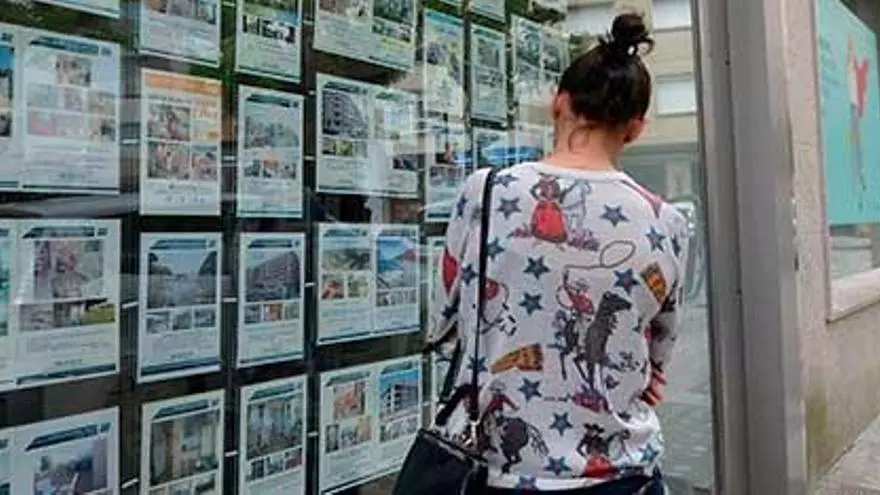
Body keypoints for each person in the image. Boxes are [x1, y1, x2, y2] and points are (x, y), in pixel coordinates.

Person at [427, 12, 688, 494]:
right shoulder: (666, 221)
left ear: (558, 103)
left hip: (498, 469)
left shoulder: (486, 191)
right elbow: (656, 355)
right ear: (636, 128)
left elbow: (444, 325)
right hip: (623, 475)